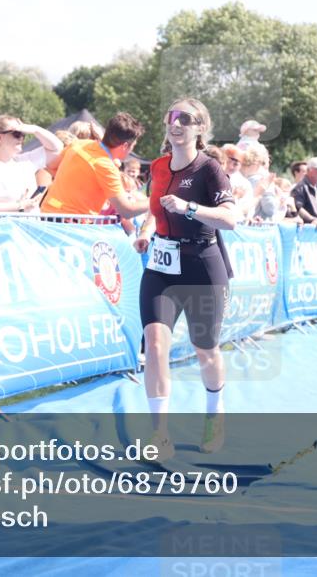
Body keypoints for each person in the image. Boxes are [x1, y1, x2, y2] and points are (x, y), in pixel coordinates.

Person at [133, 98, 237, 461]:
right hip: (162, 265)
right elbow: (154, 209)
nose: (175, 124)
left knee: (205, 350)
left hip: (202, 265)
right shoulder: (158, 167)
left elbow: (230, 218)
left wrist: (191, 208)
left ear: (199, 128)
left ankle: (215, 414)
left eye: (185, 118)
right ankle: (159, 433)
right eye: (171, 117)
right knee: (155, 344)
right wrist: (147, 230)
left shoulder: (210, 169)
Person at [41, 113, 149, 217]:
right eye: (133, 146)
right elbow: (126, 210)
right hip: (71, 225)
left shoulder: (79, 144)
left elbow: (52, 167)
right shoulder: (107, 167)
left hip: (47, 214)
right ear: (125, 146)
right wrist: (156, 201)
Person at [0, 115, 63, 214]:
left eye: (23, 134)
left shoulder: (26, 162)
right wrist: (20, 206)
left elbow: (57, 148)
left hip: (28, 227)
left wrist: (35, 130)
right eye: (17, 134)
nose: (21, 138)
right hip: (1, 228)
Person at [290, 157, 317, 227]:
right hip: (307, 230)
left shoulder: (315, 186)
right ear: (310, 170)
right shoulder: (300, 187)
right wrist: (312, 220)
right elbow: (298, 208)